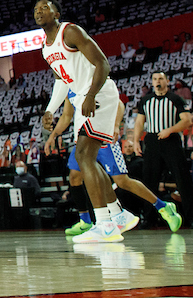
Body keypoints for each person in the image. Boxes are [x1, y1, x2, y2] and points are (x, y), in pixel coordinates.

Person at [37, 0, 125, 243]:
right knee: (87, 158)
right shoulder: (45, 48)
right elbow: (62, 81)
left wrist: (90, 95)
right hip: (82, 97)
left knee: (84, 155)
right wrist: (50, 110)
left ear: (56, 13)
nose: (39, 11)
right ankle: (117, 215)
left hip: (98, 93)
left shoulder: (71, 31)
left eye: (45, 7)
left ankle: (105, 224)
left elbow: (102, 63)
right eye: (36, 9)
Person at [48, 94, 183, 234]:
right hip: (82, 139)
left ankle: (163, 207)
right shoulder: (70, 86)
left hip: (103, 137)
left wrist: (116, 126)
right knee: (75, 177)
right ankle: (86, 221)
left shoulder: (93, 79)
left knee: (122, 181)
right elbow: (66, 116)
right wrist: (53, 135)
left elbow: (119, 104)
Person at [131, 71, 193, 219]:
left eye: (160, 79)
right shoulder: (145, 100)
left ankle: (191, 217)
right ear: (152, 82)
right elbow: (139, 122)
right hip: (152, 141)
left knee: (182, 178)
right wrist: (135, 141)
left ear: (167, 81)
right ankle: (148, 217)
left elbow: (187, 120)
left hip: (171, 140)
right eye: (155, 79)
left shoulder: (175, 99)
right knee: (149, 180)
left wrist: (169, 130)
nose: (157, 81)